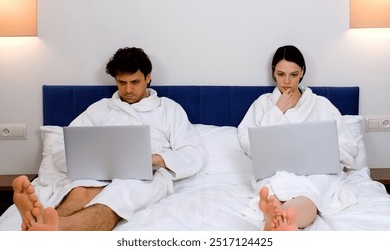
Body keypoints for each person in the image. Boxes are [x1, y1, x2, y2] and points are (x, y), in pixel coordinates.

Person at [12, 47, 206, 231]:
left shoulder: (168, 109)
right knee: (79, 191)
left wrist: (155, 158)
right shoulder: (101, 109)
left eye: (135, 82)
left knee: (116, 199)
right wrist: (88, 162)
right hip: (98, 171)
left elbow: (193, 152)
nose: (128, 89)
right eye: (122, 83)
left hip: (146, 175)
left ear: (148, 78)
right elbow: (63, 145)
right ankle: (46, 221)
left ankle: (56, 227)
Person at [237, 45, 359, 231]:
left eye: (293, 75)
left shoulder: (321, 105)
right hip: (276, 171)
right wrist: (277, 110)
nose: (287, 81)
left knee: (310, 192)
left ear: (302, 72)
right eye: (281, 74)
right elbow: (249, 142)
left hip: (314, 173)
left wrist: (320, 154)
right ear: (273, 73)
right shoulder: (262, 104)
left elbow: (348, 146)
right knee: (274, 187)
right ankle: (277, 214)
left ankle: (281, 220)